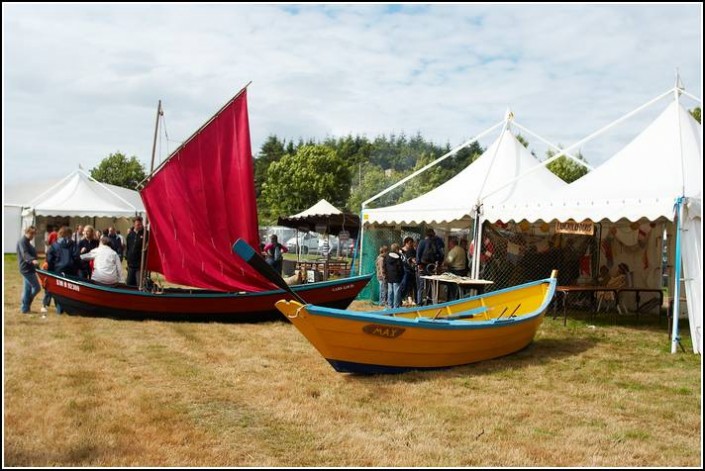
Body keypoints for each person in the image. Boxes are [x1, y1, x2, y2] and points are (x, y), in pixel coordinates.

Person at [43, 226, 80, 314]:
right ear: (69, 234)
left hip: (57, 270)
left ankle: (59, 309)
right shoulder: (73, 244)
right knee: (70, 290)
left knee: (58, 290)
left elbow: (49, 258)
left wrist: (51, 269)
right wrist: (77, 268)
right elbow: (76, 257)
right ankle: (69, 309)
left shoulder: (55, 245)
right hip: (71, 270)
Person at [17, 226, 41, 315]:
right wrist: (32, 260)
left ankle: (25, 308)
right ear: (27, 232)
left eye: (34, 234)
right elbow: (25, 254)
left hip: (30, 269)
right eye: (31, 233)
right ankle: (25, 304)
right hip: (26, 269)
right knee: (37, 288)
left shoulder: (28, 242)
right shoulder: (22, 242)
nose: (33, 236)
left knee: (27, 289)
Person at [444, 236, 469, 301]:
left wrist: (444, 264)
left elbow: (449, 261)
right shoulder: (462, 250)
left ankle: (451, 300)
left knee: (452, 287)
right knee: (459, 288)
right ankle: (458, 299)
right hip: (462, 271)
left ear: (452, 244)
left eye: (449, 244)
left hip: (455, 271)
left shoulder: (453, 251)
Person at [126, 216, 145, 286]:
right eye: (138, 225)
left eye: (141, 224)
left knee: (139, 284)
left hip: (140, 265)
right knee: (129, 284)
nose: (140, 226)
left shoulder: (145, 234)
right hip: (130, 265)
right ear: (134, 224)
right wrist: (127, 258)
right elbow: (128, 248)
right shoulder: (130, 235)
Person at [384, 243, 404, 309]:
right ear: (396, 249)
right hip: (396, 276)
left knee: (390, 291)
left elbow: (385, 266)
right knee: (396, 292)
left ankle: (390, 305)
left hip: (389, 276)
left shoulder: (387, 256)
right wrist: (401, 275)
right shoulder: (398, 257)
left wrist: (386, 274)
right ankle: (396, 306)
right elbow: (400, 267)